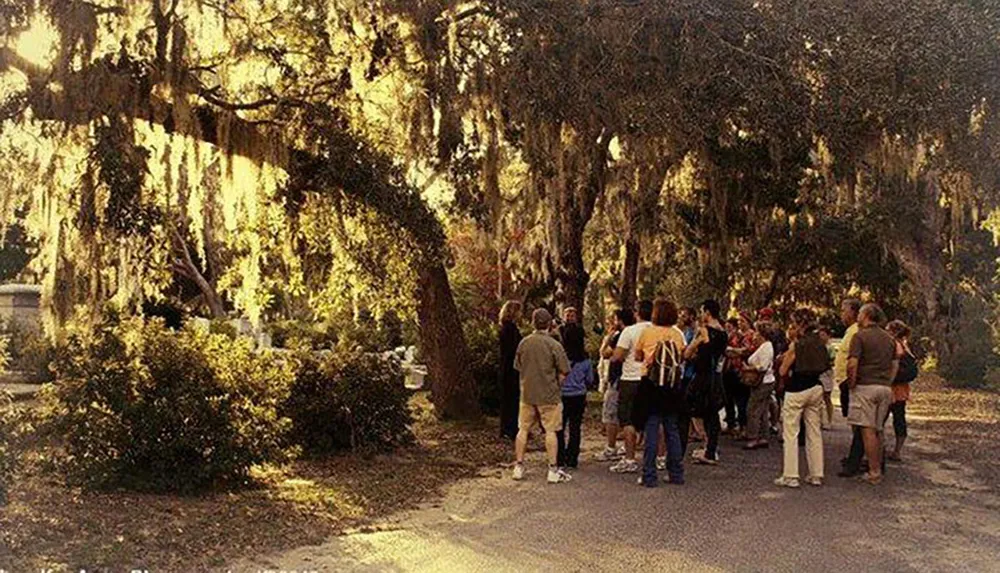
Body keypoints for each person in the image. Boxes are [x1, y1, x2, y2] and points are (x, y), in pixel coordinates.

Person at [512, 309, 572, 484]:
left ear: (532, 322)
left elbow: (518, 366)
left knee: (523, 429)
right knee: (551, 430)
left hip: (527, 393)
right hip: (549, 394)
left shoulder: (524, 343)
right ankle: (553, 469)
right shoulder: (554, 345)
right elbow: (564, 371)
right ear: (549, 324)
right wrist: (556, 385)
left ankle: (519, 466)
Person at [632, 299, 687, 486]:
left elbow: (637, 356)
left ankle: (649, 475)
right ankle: (676, 473)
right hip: (672, 386)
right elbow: (682, 355)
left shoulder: (647, 332)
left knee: (652, 429)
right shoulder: (677, 334)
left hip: (651, 384)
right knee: (672, 429)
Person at [775, 308, 829, 488]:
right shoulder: (820, 342)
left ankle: (790, 475)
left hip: (796, 389)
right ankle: (816, 474)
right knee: (814, 432)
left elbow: (783, 370)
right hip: (815, 387)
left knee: (791, 433)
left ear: (800, 325)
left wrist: (785, 358)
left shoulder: (797, 345)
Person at [847, 303, 899, 485]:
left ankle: (874, 471)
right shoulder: (889, 338)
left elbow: (852, 363)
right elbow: (895, 364)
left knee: (867, 430)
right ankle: (879, 465)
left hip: (865, 386)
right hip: (884, 387)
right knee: (878, 429)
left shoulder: (859, 336)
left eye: (860, 312)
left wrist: (852, 383)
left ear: (867, 315)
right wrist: (888, 382)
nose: (858, 316)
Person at [609, 300, 653, 473]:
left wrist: (611, 352)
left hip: (630, 378)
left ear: (637, 313)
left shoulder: (630, 331)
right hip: (650, 378)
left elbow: (617, 356)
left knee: (628, 420)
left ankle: (630, 458)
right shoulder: (658, 331)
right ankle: (659, 457)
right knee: (652, 419)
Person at [685, 299, 728, 465]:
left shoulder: (705, 331)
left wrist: (698, 341)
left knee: (694, 409)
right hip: (715, 375)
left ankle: (708, 445)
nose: (701, 315)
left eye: (703, 311)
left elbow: (689, 354)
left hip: (703, 375)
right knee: (711, 413)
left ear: (708, 312)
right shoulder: (723, 332)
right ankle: (710, 448)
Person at [835, 298, 866, 478]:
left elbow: (855, 360)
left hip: (851, 382)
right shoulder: (850, 331)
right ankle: (858, 455)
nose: (842, 314)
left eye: (844, 310)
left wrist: (850, 381)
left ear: (854, 312)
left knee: (858, 422)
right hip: (845, 382)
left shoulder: (857, 332)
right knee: (853, 421)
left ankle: (859, 458)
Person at [597, 310, 633, 461]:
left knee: (611, 414)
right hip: (630, 379)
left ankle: (611, 447)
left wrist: (609, 337)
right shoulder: (636, 333)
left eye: (615, 319)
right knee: (628, 415)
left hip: (618, 379)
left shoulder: (619, 336)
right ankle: (627, 445)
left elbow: (605, 353)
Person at [557, 322, 592, 469]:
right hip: (578, 395)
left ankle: (559, 456)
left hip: (562, 395)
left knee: (559, 426)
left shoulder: (560, 356)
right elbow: (590, 379)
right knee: (575, 427)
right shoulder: (585, 359)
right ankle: (572, 457)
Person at [886, 320, 918, 462]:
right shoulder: (906, 346)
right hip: (903, 390)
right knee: (899, 420)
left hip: (891, 388)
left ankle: (879, 449)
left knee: (880, 420)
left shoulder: (894, 346)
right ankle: (897, 451)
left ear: (892, 331)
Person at [743, 321, 776, 450]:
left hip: (763, 382)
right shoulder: (764, 346)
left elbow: (762, 366)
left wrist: (749, 368)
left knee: (753, 409)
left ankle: (753, 437)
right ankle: (763, 436)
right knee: (762, 410)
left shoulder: (767, 347)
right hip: (765, 381)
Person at [498, 301, 524, 441]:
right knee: (512, 399)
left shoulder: (506, 327)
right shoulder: (510, 329)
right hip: (510, 368)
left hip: (506, 367)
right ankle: (511, 429)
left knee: (508, 399)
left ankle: (506, 428)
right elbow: (514, 348)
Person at [678, 307, 702, 452]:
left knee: (696, 411)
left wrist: (687, 353)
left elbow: (691, 354)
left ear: (692, 316)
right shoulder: (686, 332)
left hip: (694, 374)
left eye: (684, 315)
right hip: (685, 374)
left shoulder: (697, 332)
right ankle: (691, 433)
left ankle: (706, 441)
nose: (681, 318)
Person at [817, 325, 836, 430]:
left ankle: (829, 420)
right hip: (819, 373)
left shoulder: (830, 348)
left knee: (827, 397)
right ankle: (820, 420)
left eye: (824, 335)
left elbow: (832, 361)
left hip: (826, 373)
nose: (822, 337)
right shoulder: (817, 347)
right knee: (818, 398)